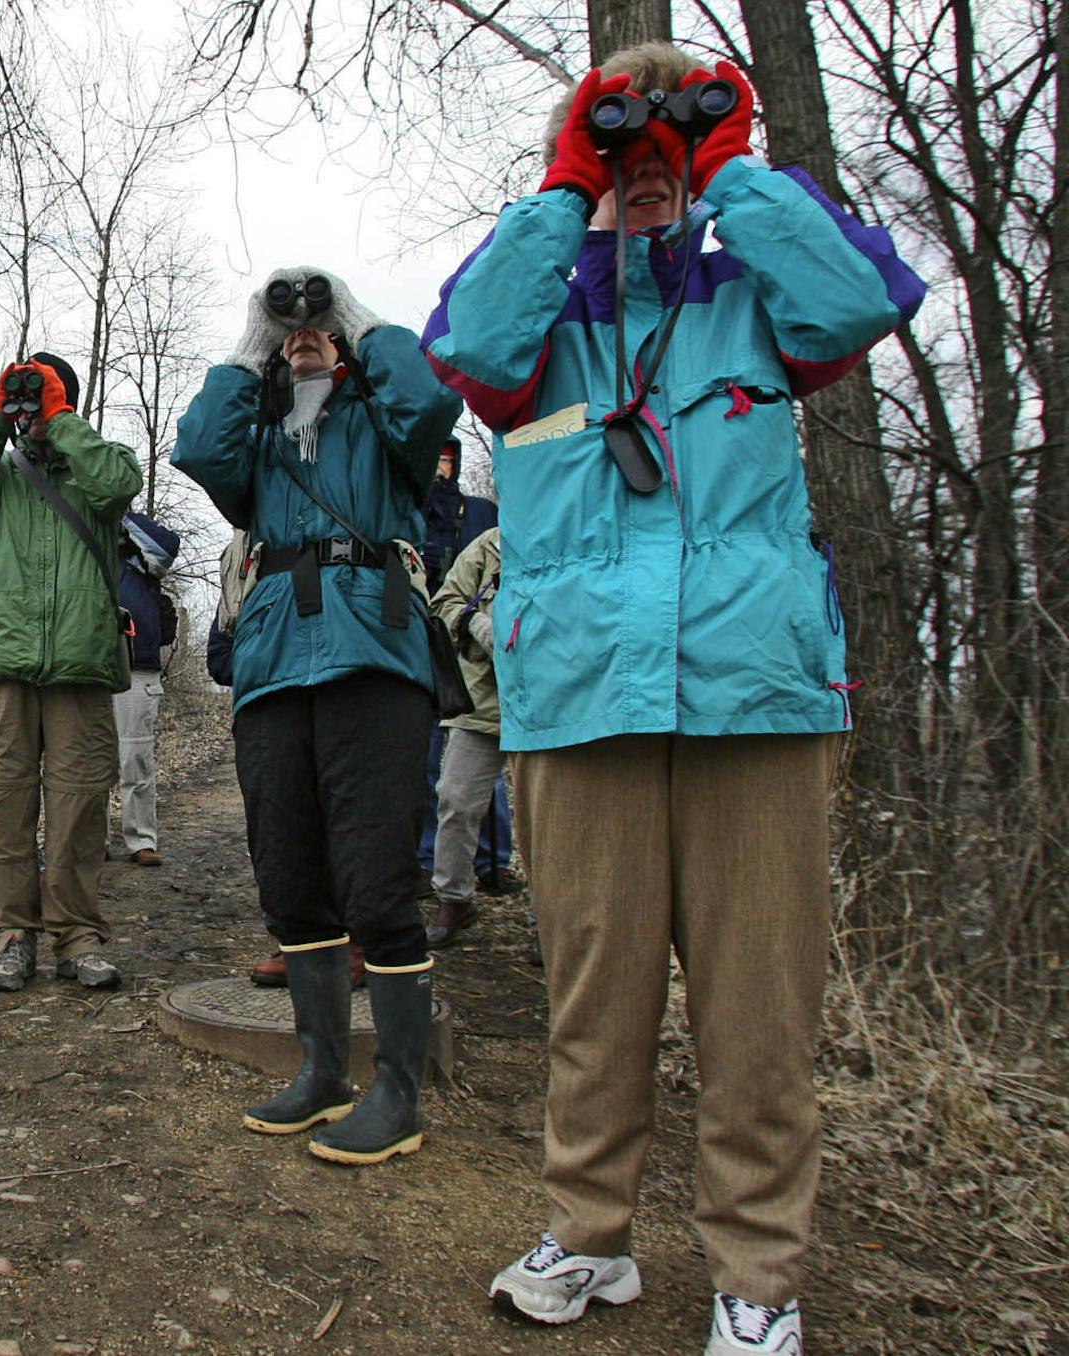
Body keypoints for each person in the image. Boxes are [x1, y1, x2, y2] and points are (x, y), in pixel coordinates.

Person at [422, 44, 924, 1355]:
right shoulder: (539, 311)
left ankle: (758, 1273)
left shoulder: (753, 287)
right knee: (596, 993)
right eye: (622, 162)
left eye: (666, 163)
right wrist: (567, 185)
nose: (647, 182)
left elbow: (855, 304)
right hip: (581, 691)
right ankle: (591, 1239)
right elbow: (466, 350)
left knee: (760, 1003)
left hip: (754, 691)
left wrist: (727, 165)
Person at [175, 266, 463, 1167]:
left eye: (317, 328)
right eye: (294, 327)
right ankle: (322, 1072)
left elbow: (428, 403)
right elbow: (196, 447)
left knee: (376, 881)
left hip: (374, 655)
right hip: (270, 665)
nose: (306, 333)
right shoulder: (256, 441)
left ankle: (399, 1094)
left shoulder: (382, 426)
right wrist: (256, 338)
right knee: (290, 875)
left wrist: (354, 317)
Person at [0, 352, 142, 992]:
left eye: (44, 394)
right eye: (27, 396)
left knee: (77, 810)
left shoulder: (98, 462)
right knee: (1, 810)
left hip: (81, 667)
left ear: (66, 399)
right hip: (3, 667)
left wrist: (60, 419)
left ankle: (78, 935)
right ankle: (11, 935)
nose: (31, 406)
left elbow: (120, 487)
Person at [417, 439, 512, 891]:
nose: (442, 467)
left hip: (546, 688)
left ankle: (496, 864)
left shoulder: (479, 512)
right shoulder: (414, 510)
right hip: (453, 665)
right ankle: (448, 888)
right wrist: (474, 623)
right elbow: (445, 598)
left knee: (539, 803)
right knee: (443, 778)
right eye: (436, 457)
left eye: (448, 460)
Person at [425, 526, 503, 948]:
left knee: (549, 818)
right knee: (455, 798)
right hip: (483, 700)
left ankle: (550, 921)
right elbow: (444, 603)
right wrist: (476, 623)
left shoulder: (571, 531)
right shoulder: (489, 544)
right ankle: (454, 899)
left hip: (554, 701)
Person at [107, 511, 181, 867]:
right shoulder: (83, 538)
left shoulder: (141, 550)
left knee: (135, 758)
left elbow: (168, 548)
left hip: (138, 668)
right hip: (88, 667)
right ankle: (90, 839)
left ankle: (141, 840)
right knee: (88, 761)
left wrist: (120, 513)